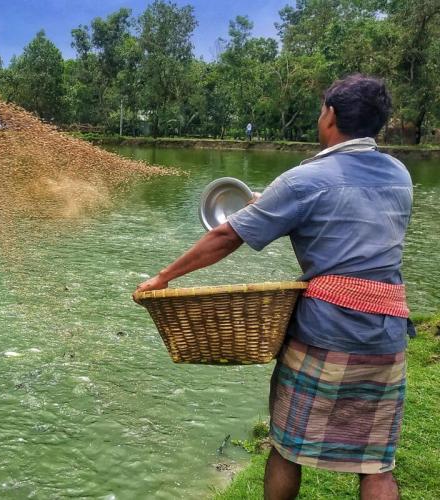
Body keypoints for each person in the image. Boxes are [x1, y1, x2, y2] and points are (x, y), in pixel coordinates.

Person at [136, 74, 412, 500]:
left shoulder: (306, 179)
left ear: (332, 116)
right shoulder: (399, 174)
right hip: (387, 332)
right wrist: (272, 201)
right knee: (376, 463)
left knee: (287, 447)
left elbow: (227, 236)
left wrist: (165, 277)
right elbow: (350, 220)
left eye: (322, 110)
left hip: (327, 331)